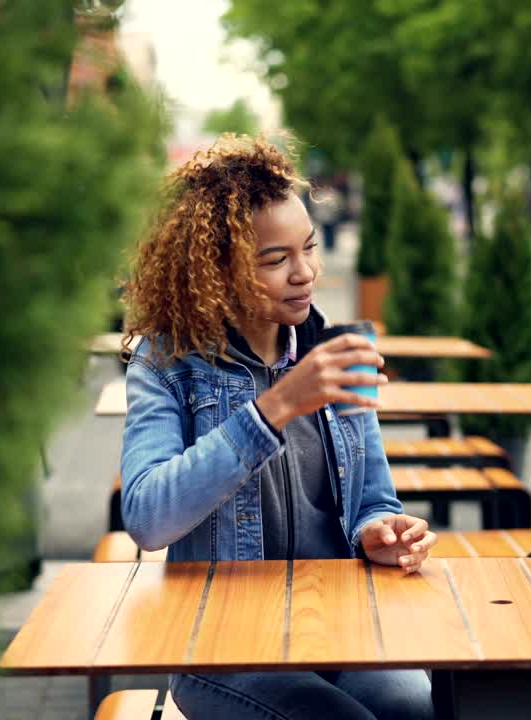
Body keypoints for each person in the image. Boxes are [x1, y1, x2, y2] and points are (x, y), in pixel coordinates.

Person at [119, 134, 437, 720]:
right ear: (215, 271)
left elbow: (373, 500)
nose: (306, 273)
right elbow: (146, 517)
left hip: (338, 626)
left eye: (309, 249)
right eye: (275, 259)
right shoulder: (168, 362)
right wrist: (273, 408)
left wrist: (382, 532)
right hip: (221, 646)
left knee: (414, 706)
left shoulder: (341, 349)